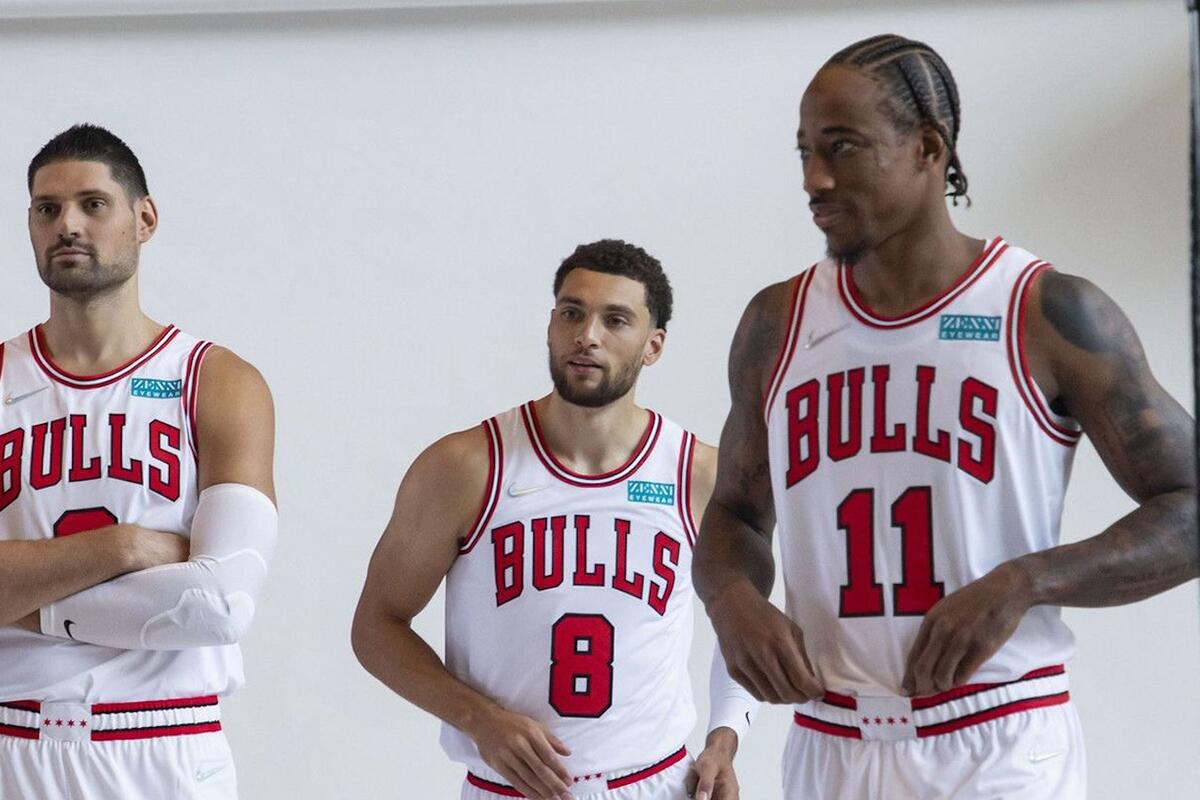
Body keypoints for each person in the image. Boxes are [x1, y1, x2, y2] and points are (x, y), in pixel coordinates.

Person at [693, 34, 1198, 800]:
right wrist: (731, 600)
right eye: (804, 151)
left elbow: (1191, 505)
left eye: (842, 147)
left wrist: (1027, 581)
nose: (814, 178)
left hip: (997, 738)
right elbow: (734, 512)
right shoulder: (777, 324)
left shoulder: (1043, 311)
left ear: (928, 148)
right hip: (831, 743)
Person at [353, 239, 756, 800]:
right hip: (509, 789)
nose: (587, 335)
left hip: (655, 783)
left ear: (654, 346)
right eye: (572, 313)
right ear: (550, 326)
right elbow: (376, 626)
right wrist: (477, 718)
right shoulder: (466, 466)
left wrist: (724, 739)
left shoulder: (698, 473)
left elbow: (749, 627)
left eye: (615, 320)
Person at [0, 124, 278, 800]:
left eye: (93, 204)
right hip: (13, 739)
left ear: (144, 219)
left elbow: (219, 603)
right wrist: (123, 547)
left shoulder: (217, 381)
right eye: (47, 208)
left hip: (166, 746)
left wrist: (18, 601)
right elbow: (182, 591)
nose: (68, 224)